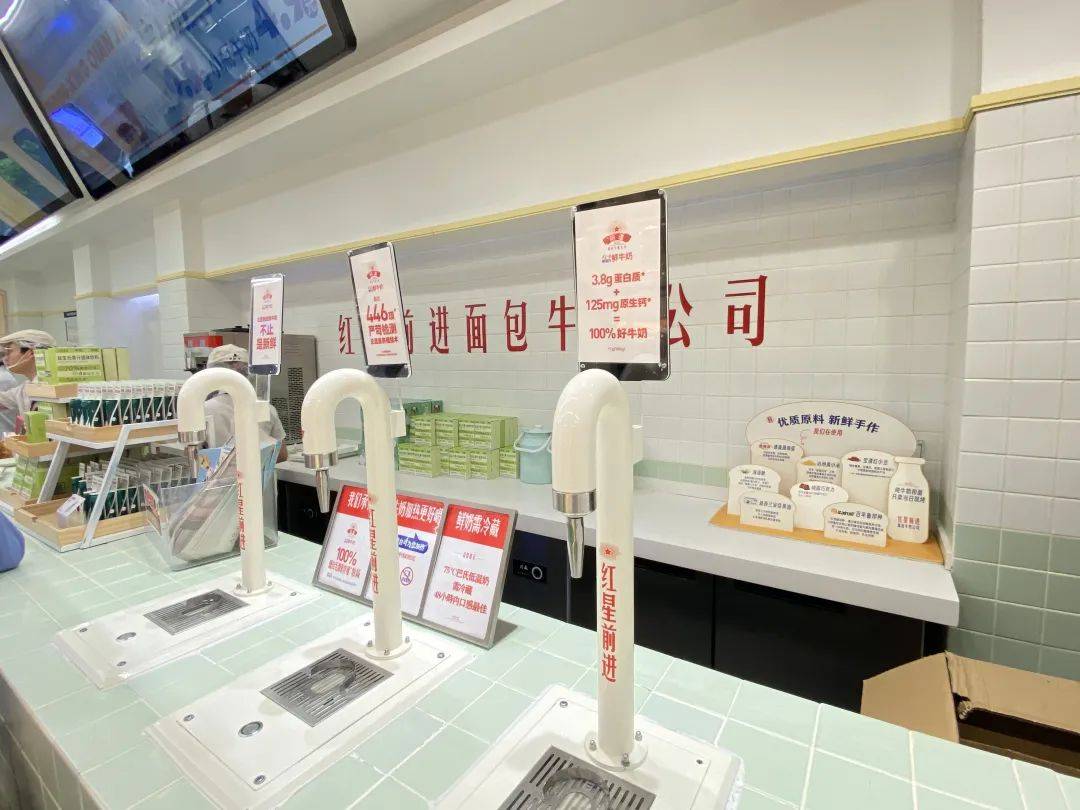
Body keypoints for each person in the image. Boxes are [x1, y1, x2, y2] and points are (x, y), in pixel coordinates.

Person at [202, 345, 288, 463]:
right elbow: (282, 455)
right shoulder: (266, 409)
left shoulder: (202, 409)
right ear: (248, 374)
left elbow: (193, 454)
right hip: (258, 474)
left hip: (215, 474)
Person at [0, 329, 56, 423]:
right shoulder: (25, 388)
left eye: (9, 352)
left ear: (31, 352)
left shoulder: (54, 386)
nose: (5, 358)